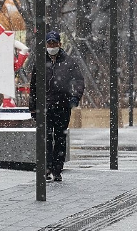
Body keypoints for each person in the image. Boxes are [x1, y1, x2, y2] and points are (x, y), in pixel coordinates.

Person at [29, 31, 85, 182]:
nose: (52, 46)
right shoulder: (40, 62)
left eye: (54, 43)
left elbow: (79, 81)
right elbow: (33, 86)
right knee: (46, 138)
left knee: (60, 139)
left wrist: (74, 97)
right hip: (45, 107)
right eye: (49, 43)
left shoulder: (69, 62)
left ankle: (57, 169)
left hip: (62, 106)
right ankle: (47, 168)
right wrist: (33, 107)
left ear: (60, 44)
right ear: (46, 45)